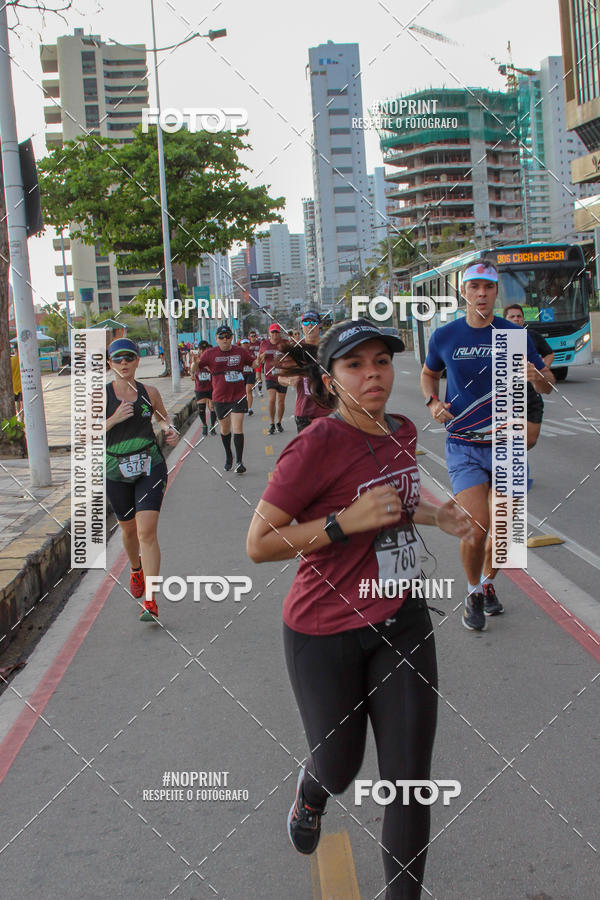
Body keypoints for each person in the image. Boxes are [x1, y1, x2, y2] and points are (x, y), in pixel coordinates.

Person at [247, 318, 474, 899]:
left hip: (403, 622)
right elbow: (260, 543)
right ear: (330, 378)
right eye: (354, 365)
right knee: (341, 768)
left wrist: (436, 515)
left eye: (380, 361)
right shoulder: (316, 444)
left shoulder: (398, 430)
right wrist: (338, 526)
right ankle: (312, 790)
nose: (372, 374)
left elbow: (394, 502)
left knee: (408, 784)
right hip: (324, 632)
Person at [420, 260, 556, 632]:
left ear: (496, 292)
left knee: (505, 531)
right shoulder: (445, 336)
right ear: (464, 291)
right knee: (477, 527)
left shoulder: (513, 334)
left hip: (508, 443)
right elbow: (429, 372)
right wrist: (432, 402)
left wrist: (539, 378)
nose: (482, 293)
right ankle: (473, 591)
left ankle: (489, 581)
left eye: (489, 287)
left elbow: (545, 386)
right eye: (475, 286)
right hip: (464, 443)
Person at [105, 338, 179, 621]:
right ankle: (135, 570)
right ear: (110, 364)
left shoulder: (149, 392)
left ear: (137, 361)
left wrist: (168, 429)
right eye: (118, 359)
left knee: (146, 531)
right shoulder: (101, 396)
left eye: (129, 358)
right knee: (128, 531)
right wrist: (112, 419)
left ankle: (150, 600)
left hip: (151, 465)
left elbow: (162, 419)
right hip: (116, 470)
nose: (124, 363)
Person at [503, 303, 554, 488]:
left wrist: (542, 369)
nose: (517, 319)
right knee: (513, 435)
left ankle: (513, 462)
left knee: (530, 439)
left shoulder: (531, 336)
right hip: (508, 396)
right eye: (512, 317)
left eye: (519, 316)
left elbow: (549, 354)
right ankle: (513, 471)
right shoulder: (498, 338)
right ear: (505, 319)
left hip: (531, 393)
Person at [198, 324, 255, 473]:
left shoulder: (240, 352)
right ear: (216, 339)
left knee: (238, 428)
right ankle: (229, 455)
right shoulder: (210, 353)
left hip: (238, 395)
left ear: (232, 338)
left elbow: (252, 363)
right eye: (221, 337)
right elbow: (197, 366)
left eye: (228, 337)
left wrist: (259, 361)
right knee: (224, 428)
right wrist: (193, 365)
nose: (225, 340)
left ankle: (239, 462)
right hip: (220, 397)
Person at [277, 309, 330, 433]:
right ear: (302, 326)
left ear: (320, 325)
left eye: (313, 322)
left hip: (330, 411)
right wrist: (289, 380)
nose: (309, 325)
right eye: (306, 323)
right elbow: (280, 378)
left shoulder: (329, 347)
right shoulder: (296, 350)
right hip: (305, 413)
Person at [258, 323, 287, 434]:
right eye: (273, 332)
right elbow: (259, 360)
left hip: (282, 375)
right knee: (271, 399)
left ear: (280, 333)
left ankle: (278, 422)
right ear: (269, 333)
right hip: (270, 375)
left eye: (277, 332)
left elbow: (292, 356)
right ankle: (271, 423)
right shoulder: (264, 344)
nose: (275, 334)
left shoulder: (285, 343)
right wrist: (262, 356)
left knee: (281, 401)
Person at [190, 340, 216, 436]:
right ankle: (204, 425)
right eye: (201, 349)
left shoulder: (211, 358)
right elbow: (193, 369)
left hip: (211, 387)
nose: (203, 351)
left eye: (205, 349)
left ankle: (212, 426)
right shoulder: (196, 359)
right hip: (200, 388)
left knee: (212, 407)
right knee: (201, 408)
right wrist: (195, 363)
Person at [240, 337, 256, 416]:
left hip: (250, 373)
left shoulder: (252, 352)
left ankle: (249, 409)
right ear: (241, 344)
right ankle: (243, 407)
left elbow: (256, 362)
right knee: (243, 393)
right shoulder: (239, 353)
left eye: (247, 343)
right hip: (241, 375)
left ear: (249, 344)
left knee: (248, 390)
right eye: (244, 343)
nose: (245, 345)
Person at [247, 329, 263, 396]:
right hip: (250, 363)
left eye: (254, 336)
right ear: (249, 337)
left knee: (258, 377)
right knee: (252, 378)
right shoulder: (247, 344)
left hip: (258, 362)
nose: (253, 337)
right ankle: (253, 389)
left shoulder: (259, 343)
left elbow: (262, 351)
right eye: (252, 336)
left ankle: (260, 391)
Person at [10, 348, 23, 417]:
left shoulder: (12, 360)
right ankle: (23, 417)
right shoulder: (24, 359)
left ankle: (19, 416)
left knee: (17, 402)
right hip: (23, 384)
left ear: (15, 350)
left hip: (15, 385)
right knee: (23, 402)